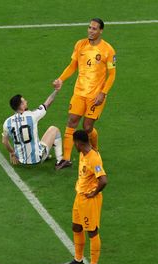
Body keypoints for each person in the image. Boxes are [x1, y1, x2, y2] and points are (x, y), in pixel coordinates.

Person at [53, 18, 117, 170]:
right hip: (79, 92)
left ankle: (95, 150)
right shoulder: (80, 44)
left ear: (101, 31)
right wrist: (61, 79)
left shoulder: (108, 50)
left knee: (87, 127)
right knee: (71, 121)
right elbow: (72, 66)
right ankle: (66, 159)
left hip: (95, 96)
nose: (90, 31)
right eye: (89, 27)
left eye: (94, 29)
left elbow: (112, 75)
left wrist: (103, 93)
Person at [61, 130, 107, 264]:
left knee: (92, 231)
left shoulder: (94, 159)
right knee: (76, 226)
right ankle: (78, 259)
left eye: (74, 143)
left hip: (89, 200)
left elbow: (103, 180)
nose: (73, 145)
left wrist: (94, 193)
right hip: (79, 197)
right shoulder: (83, 153)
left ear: (79, 143)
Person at [2, 88, 63, 166]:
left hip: (21, 160)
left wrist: (12, 152)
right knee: (54, 129)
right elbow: (47, 103)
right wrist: (56, 90)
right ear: (21, 106)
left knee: (34, 140)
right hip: (37, 159)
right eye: (24, 101)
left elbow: (4, 141)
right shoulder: (32, 116)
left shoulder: (7, 122)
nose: (26, 102)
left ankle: (43, 153)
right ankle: (60, 160)